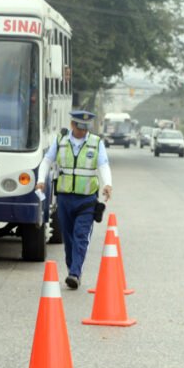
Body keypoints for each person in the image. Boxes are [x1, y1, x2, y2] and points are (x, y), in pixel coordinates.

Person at [36, 110, 113, 289]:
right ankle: (73, 266)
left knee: (81, 236)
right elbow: (47, 160)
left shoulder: (96, 143)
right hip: (64, 198)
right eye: (80, 127)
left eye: (86, 128)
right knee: (68, 237)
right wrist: (41, 180)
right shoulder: (60, 140)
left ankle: (75, 273)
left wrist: (107, 184)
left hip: (87, 199)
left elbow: (103, 164)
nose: (83, 131)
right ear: (72, 125)